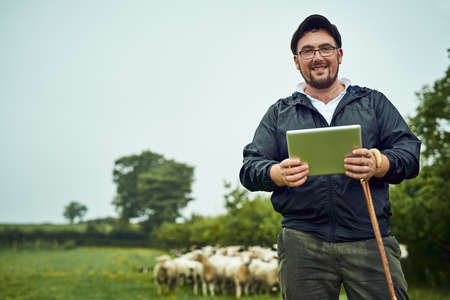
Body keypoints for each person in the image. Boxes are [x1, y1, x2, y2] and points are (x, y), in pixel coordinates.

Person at [239, 14, 421, 300]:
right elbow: (250, 167)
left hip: (369, 237)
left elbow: (409, 152)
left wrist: (379, 163)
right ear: (296, 61)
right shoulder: (279, 113)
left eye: (325, 48)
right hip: (302, 242)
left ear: (339, 54)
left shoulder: (373, 103)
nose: (317, 57)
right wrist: (276, 173)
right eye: (307, 51)